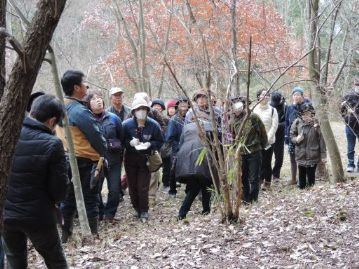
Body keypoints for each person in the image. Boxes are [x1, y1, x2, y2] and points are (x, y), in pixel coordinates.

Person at [2, 95, 69, 268]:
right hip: (38, 216)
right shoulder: (53, 144)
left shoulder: (8, 132)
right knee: (55, 261)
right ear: (52, 121)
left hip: (7, 213)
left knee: (15, 260)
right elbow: (59, 190)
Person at [56, 70, 107, 242]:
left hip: (67, 159)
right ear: (77, 87)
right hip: (84, 161)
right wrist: (104, 151)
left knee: (68, 200)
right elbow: (96, 136)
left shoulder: (60, 106)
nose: (87, 86)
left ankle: (66, 235)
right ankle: (92, 234)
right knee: (90, 198)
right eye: (84, 83)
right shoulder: (79, 111)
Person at [122, 97, 164, 222]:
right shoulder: (126, 124)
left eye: (144, 109)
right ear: (134, 111)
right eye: (138, 109)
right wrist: (130, 143)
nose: (141, 111)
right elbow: (121, 140)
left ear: (147, 110)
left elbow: (160, 141)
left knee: (143, 186)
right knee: (132, 186)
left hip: (146, 158)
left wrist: (150, 144)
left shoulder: (153, 125)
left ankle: (144, 210)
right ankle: (136, 208)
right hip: (130, 158)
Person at [85, 90, 124, 221]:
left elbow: (121, 137)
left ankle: (110, 214)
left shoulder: (113, 118)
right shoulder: (86, 119)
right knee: (96, 189)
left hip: (114, 159)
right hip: (95, 161)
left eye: (100, 98)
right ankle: (100, 212)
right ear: (88, 103)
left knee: (115, 189)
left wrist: (119, 153)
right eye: (94, 99)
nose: (98, 101)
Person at [176, 117, 215, 220]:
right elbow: (214, 145)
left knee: (194, 186)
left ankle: (182, 213)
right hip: (203, 156)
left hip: (186, 157)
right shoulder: (210, 126)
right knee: (205, 184)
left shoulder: (186, 127)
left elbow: (180, 144)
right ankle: (205, 211)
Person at [230, 97, 268, 203]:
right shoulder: (231, 120)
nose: (237, 111)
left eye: (239, 108)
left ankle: (253, 199)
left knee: (254, 178)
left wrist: (263, 146)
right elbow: (230, 136)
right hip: (240, 153)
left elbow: (262, 132)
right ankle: (246, 199)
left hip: (254, 151)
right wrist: (232, 149)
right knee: (243, 177)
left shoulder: (252, 117)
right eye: (234, 108)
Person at [290, 103, 326, 189]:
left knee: (311, 177)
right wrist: (296, 139)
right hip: (301, 154)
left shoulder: (317, 124)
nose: (306, 116)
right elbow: (291, 135)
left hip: (313, 154)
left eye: (308, 114)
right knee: (301, 176)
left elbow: (322, 140)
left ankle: (311, 189)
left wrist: (323, 155)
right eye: (303, 114)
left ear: (312, 114)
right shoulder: (297, 122)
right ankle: (301, 187)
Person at [253, 89, 278, 190]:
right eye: (263, 95)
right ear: (258, 96)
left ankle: (267, 182)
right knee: (258, 161)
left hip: (269, 141)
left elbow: (274, 126)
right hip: (256, 141)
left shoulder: (273, 110)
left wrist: (267, 138)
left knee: (267, 162)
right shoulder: (254, 109)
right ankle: (259, 181)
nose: (265, 97)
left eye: (267, 95)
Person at [166, 97, 190, 197]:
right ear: (178, 106)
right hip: (177, 148)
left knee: (190, 169)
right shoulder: (174, 120)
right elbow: (169, 137)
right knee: (173, 169)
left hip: (189, 147)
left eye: (186, 105)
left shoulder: (191, 118)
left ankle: (189, 190)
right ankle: (172, 190)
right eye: (181, 105)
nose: (184, 107)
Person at [285, 86, 308, 185]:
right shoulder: (289, 107)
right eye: (294, 95)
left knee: (303, 159)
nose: (296, 97)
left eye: (298, 95)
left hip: (304, 136)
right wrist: (286, 137)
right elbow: (287, 122)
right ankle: (293, 178)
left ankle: (303, 179)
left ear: (302, 96)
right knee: (292, 158)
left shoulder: (307, 106)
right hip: (292, 137)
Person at [341, 79, 359, 172]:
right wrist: (346, 119)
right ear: (354, 85)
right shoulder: (348, 96)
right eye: (357, 85)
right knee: (350, 147)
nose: (358, 87)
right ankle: (350, 164)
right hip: (350, 126)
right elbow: (341, 111)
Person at [270, 91, 287, 181]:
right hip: (269, 135)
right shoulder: (269, 106)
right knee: (267, 157)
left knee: (279, 157)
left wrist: (277, 125)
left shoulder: (285, 107)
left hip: (280, 135)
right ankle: (266, 175)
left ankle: (276, 175)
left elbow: (287, 121)